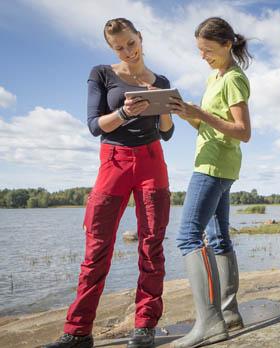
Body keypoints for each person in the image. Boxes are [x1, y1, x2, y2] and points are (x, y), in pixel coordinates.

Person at [44, 18, 174, 348]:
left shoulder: (160, 80)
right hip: (113, 160)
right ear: (111, 49)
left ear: (140, 38)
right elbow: (94, 125)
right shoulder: (101, 74)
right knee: (97, 246)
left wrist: (166, 108)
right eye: (119, 47)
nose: (127, 51)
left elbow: (168, 132)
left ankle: (144, 325)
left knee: (151, 245)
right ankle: (77, 330)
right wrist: (126, 113)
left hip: (151, 161)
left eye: (131, 43)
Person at [167, 17, 251, 348]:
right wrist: (186, 112)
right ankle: (228, 314)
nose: (203, 56)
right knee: (217, 237)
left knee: (188, 236)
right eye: (200, 50)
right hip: (217, 162)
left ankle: (210, 323)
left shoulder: (233, 79)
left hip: (214, 167)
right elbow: (208, 128)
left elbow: (243, 131)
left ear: (227, 44)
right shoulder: (213, 76)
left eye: (208, 50)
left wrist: (201, 114)